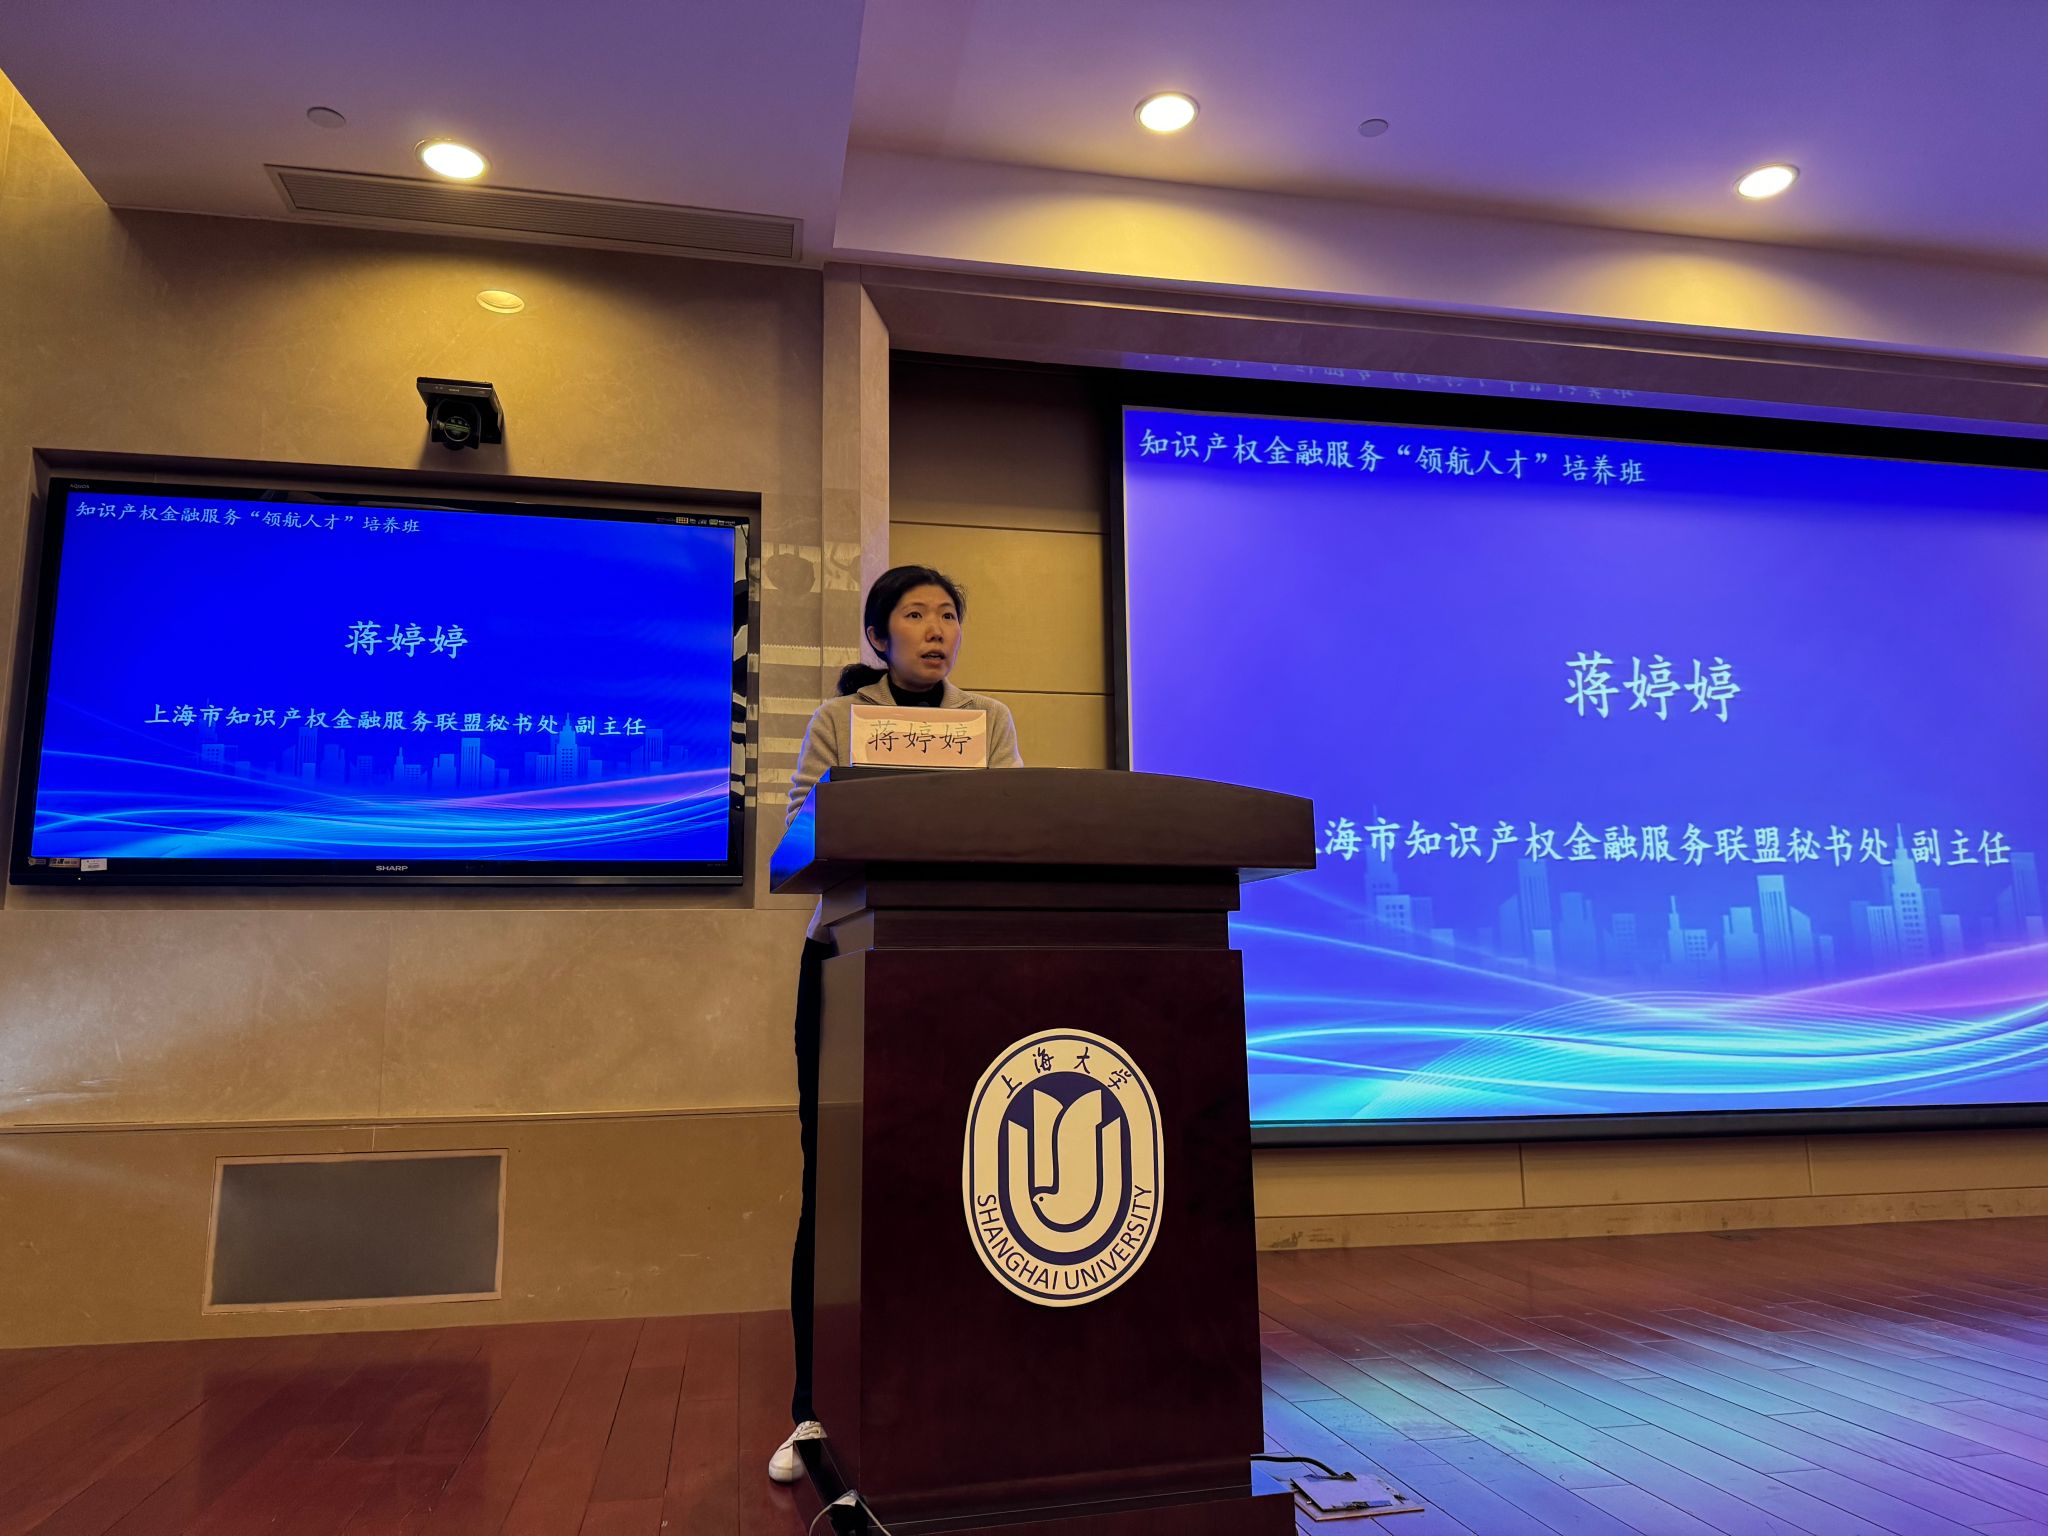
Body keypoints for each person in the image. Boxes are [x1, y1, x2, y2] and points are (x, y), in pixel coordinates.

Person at [768, 565, 1024, 1485]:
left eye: (948, 614)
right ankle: (813, 1410)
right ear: (879, 638)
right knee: (836, 1181)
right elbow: (799, 836)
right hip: (846, 960)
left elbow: (1018, 828)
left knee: (962, 1178)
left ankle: (958, 1388)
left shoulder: (989, 721)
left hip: (957, 967)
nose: (936, 628)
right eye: (915, 615)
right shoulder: (839, 720)